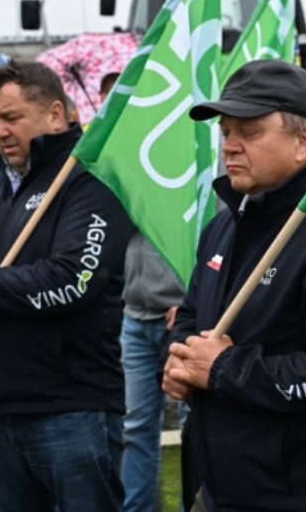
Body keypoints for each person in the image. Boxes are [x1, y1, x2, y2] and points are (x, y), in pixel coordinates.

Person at [164, 59, 306, 511]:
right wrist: (180, 359)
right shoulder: (224, 224)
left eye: (249, 132)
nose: (230, 146)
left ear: (304, 140)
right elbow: (192, 314)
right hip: (225, 488)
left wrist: (225, 369)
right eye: (226, 132)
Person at [0, 61, 133, 511]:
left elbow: (71, 279)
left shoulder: (93, 182)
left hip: (70, 410)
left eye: (13, 118)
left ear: (56, 115)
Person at [114, 67, 186, 512]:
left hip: (181, 318)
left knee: (197, 426)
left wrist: (195, 302)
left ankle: (195, 501)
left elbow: (216, 239)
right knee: (135, 425)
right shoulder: (130, 165)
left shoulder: (197, 167)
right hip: (135, 316)